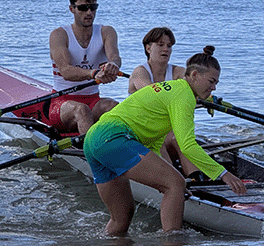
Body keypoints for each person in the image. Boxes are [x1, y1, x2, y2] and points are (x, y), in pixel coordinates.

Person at [84, 46, 247, 236]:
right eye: (211, 81)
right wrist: (222, 173)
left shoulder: (170, 90)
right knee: (176, 184)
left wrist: (169, 184)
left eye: (216, 83)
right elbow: (187, 145)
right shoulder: (184, 95)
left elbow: (153, 143)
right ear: (194, 74)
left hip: (93, 140)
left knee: (121, 219)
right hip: (113, 137)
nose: (214, 88)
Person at [47, 0, 122, 135]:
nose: (89, 12)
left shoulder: (107, 32)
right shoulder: (59, 35)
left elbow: (114, 56)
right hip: (61, 103)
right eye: (83, 8)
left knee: (117, 108)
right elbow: (66, 71)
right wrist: (94, 74)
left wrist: (113, 66)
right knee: (82, 111)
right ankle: (88, 155)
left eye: (93, 7)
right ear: (72, 9)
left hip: (93, 100)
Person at [127, 27, 199, 179]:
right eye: (160, 44)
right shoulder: (139, 72)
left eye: (169, 46)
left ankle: (196, 179)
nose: (166, 49)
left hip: (169, 134)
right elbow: (152, 94)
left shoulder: (178, 72)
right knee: (173, 136)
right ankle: (172, 180)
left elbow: (195, 85)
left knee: (178, 136)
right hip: (143, 134)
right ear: (148, 48)